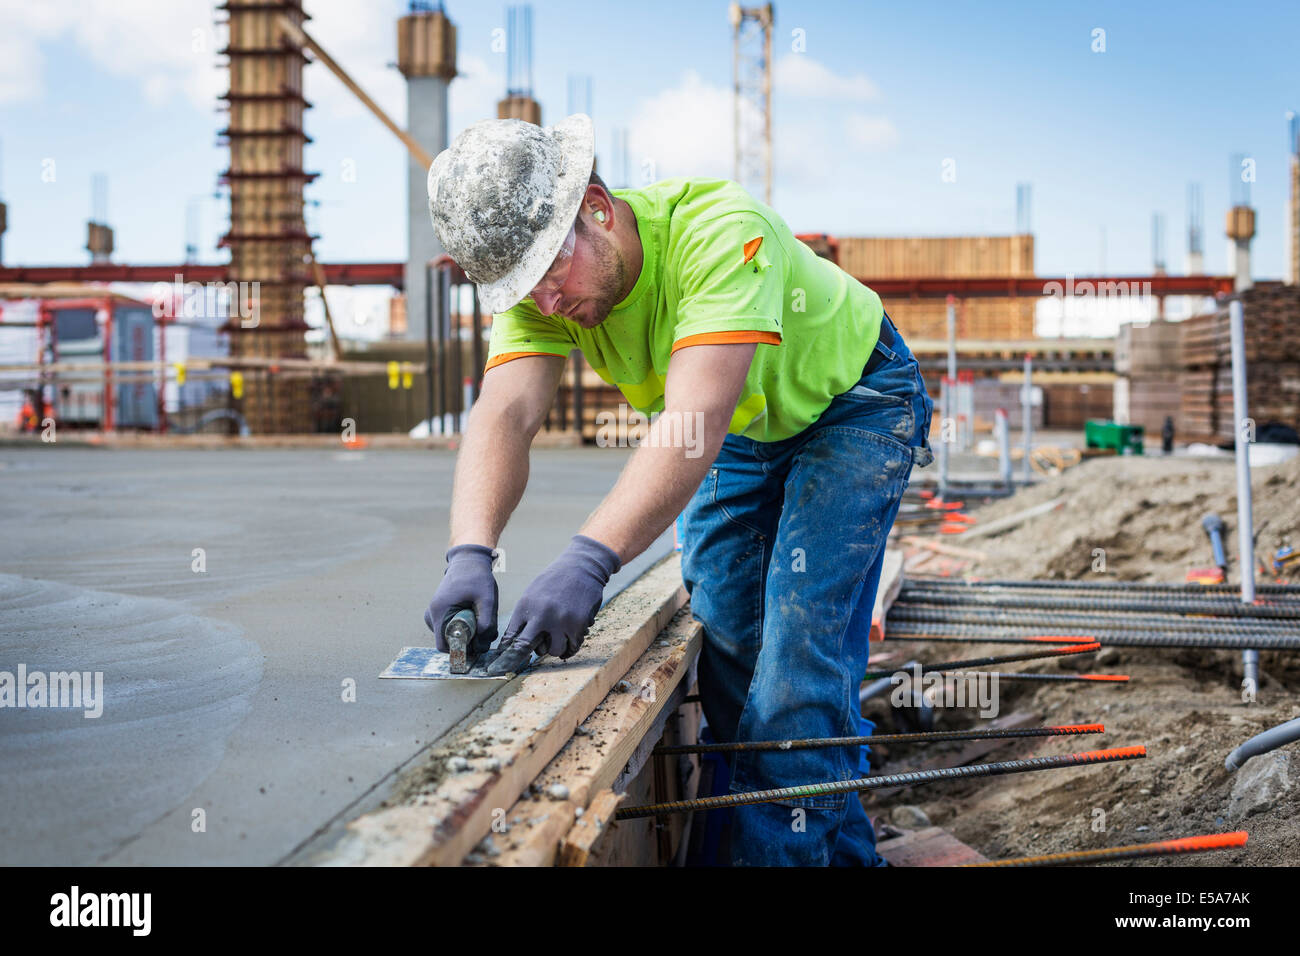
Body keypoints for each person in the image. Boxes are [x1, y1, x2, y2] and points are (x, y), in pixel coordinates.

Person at [422, 113, 933, 865]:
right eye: (527, 290)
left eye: (553, 274)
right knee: (731, 652)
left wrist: (590, 559)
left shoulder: (721, 234)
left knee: (797, 670)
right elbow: (506, 413)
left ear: (596, 208)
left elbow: (694, 423)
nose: (548, 304)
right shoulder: (543, 289)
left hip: (853, 404)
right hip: (745, 428)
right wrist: (470, 550)